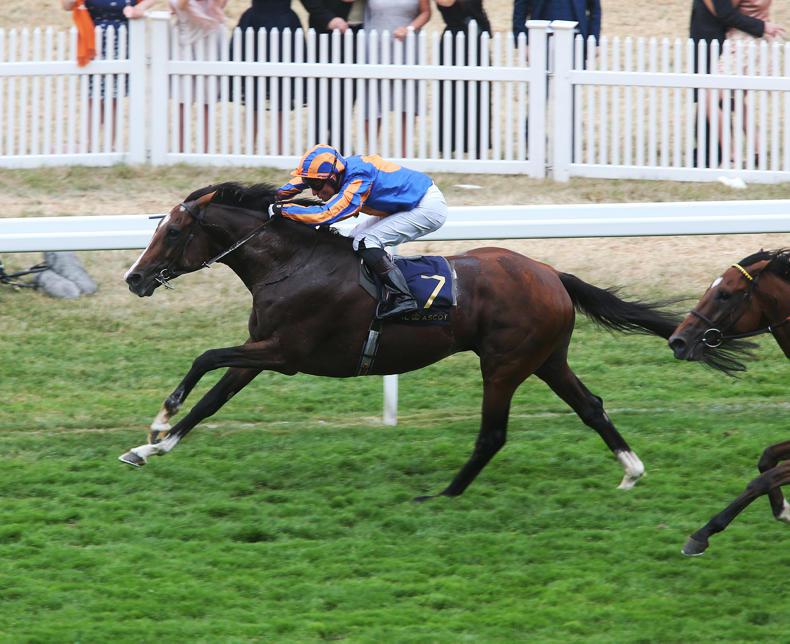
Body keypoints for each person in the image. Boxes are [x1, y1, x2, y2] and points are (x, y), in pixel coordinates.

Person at [271, 144, 448, 319]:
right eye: (311, 184)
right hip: (406, 204)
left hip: (426, 207)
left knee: (365, 242)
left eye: (316, 185)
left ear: (333, 177)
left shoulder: (359, 179)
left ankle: (403, 297)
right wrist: (275, 196)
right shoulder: (339, 170)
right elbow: (301, 182)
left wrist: (282, 210)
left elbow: (326, 215)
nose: (314, 192)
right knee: (352, 241)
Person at [61, 0, 157, 148]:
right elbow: (67, 6)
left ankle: (111, 146)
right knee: (93, 97)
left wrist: (139, 8)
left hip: (121, 42)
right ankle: (89, 144)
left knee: (113, 98)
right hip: (92, 43)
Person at [709, 0, 785, 166]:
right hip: (759, 42)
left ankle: (730, 154)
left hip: (742, 43)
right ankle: (758, 148)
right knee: (737, 100)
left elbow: (726, 14)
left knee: (709, 98)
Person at [230, 0, 304, 153]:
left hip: (285, 21)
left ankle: (280, 148)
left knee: (282, 92)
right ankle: (249, 147)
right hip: (255, 21)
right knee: (252, 92)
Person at [364, 0, 431, 152]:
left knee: (407, 103)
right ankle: (372, 153)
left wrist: (409, 28)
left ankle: (404, 154)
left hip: (407, 46)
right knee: (373, 101)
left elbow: (426, 12)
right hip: (375, 46)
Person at [299, 0, 367, 146]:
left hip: (361, 30)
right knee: (322, 95)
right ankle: (319, 146)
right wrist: (328, 18)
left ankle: (339, 145)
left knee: (348, 93)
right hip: (327, 31)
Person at [169, 0, 228, 152]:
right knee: (183, 101)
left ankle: (205, 150)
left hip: (210, 40)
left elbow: (220, 7)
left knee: (207, 101)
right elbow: (178, 7)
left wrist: (215, 7)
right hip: (184, 43)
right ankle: (180, 149)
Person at [435, 0, 492, 155]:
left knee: (479, 96)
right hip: (453, 43)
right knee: (450, 96)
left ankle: (477, 144)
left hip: (477, 41)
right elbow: (446, 4)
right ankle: (449, 143)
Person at [512, 0, 601, 47]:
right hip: (540, 41)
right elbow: (520, 10)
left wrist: (594, 40)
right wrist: (522, 44)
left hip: (577, 40)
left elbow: (595, 10)